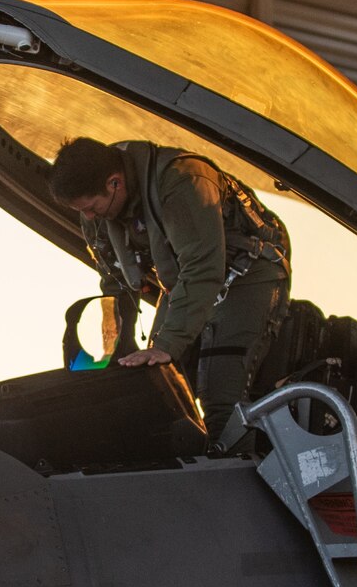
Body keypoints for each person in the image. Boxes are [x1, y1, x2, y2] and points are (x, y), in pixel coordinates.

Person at [47, 136, 291, 444]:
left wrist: (168, 344)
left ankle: (233, 470)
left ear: (114, 183)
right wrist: (113, 354)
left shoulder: (183, 181)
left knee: (220, 395)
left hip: (249, 272)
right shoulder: (97, 212)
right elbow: (115, 282)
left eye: (93, 208)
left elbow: (203, 268)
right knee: (154, 382)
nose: (90, 217)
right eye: (83, 210)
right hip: (184, 280)